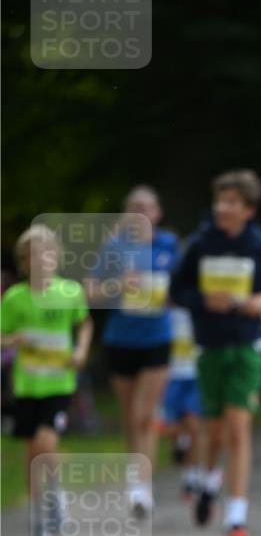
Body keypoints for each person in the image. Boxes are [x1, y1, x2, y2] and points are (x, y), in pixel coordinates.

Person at [170, 169, 261, 536]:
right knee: (215, 432)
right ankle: (208, 483)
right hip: (209, 347)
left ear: (248, 209)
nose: (223, 208)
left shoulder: (260, 245)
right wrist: (204, 301)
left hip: (248, 347)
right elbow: (177, 289)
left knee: (238, 430)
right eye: (220, 200)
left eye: (232, 202)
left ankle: (236, 520)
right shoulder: (201, 244)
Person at [0, 225, 93, 536]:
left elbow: (84, 324)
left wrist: (81, 351)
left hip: (60, 383)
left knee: (46, 439)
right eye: (36, 255)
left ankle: (56, 498)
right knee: (33, 452)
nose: (44, 260)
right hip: (28, 385)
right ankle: (39, 516)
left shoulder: (70, 292)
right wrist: (14, 339)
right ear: (25, 261)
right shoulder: (14, 299)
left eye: (49, 253)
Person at [91, 186, 179, 517]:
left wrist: (173, 295)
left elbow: (187, 284)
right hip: (121, 340)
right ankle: (137, 477)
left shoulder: (170, 244)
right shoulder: (114, 248)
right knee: (130, 418)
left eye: (147, 207)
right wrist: (116, 286)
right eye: (135, 207)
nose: (141, 212)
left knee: (145, 415)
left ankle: (141, 488)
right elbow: (90, 290)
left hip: (158, 337)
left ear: (157, 213)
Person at [160, 305, 203, 500]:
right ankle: (180, 441)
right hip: (171, 374)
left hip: (196, 373)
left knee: (193, 424)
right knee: (174, 428)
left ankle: (190, 479)